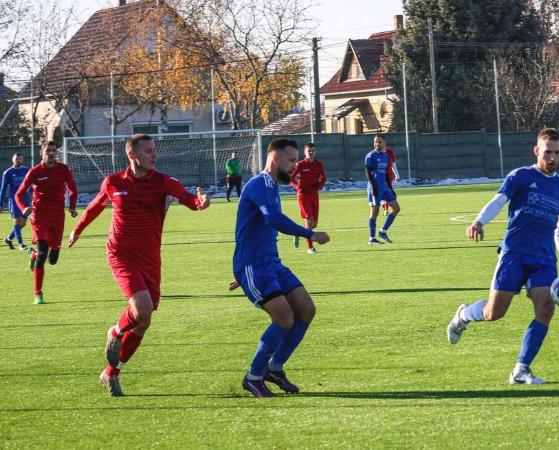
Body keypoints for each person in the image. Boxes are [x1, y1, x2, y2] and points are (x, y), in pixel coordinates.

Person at [68, 134, 210, 396]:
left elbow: (189, 200)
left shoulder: (164, 182)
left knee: (144, 321)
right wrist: (77, 230)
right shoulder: (114, 182)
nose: (154, 155)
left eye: (154, 150)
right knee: (141, 308)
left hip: (150, 257)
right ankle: (116, 330)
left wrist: (201, 202)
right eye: (148, 151)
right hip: (121, 254)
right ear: (133, 155)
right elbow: (95, 207)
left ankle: (111, 373)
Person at [446, 128, 559, 385]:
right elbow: (498, 200)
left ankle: (521, 369)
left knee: (546, 308)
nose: (552, 157)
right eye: (548, 151)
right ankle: (463, 316)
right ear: (537, 150)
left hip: (544, 259)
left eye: (557, 153)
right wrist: (479, 221)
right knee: (494, 313)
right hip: (514, 254)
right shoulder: (521, 176)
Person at [233, 138, 330, 398]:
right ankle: (253, 376)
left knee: (306, 309)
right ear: (275, 159)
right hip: (254, 266)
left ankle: (274, 368)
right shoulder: (260, 183)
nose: (294, 167)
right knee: (284, 318)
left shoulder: (272, 186)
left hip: (269, 263)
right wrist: (308, 233)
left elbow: (259, 229)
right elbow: (272, 219)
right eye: (290, 161)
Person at [15, 141, 78, 305]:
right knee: (43, 252)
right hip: (39, 215)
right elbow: (19, 194)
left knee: (53, 259)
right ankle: (38, 294)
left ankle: (33, 255)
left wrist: (72, 207)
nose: (51, 153)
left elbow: (73, 189)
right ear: (41, 153)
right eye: (47, 151)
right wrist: (23, 208)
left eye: (53, 150)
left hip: (57, 217)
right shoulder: (34, 172)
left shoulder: (63, 169)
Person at [290, 142, 327, 253]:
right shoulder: (300, 165)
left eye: (313, 151)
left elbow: (323, 178)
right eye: (309, 151)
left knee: (314, 224)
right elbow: (291, 179)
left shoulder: (318, 164)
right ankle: (310, 247)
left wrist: (320, 186)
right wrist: (298, 187)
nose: (311, 153)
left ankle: (298, 232)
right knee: (309, 221)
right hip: (303, 195)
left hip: (314, 195)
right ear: (305, 152)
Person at [364, 134, 400, 245]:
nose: (377, 144)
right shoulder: (370, 156)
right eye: (375, 142)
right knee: (375, 212)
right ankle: (371, 238)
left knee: (396, 208)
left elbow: (384, 174)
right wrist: (373, 187)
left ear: (384, 143)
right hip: (374, 188)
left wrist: (390, 188)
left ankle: (383, 231)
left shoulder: (385, 156)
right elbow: (367, 172)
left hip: (384, 187)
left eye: (379, 142)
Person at [1, 153, 30, 251]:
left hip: (25, 199)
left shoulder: (26, 170)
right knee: (17, 221)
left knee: (23, 223)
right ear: (13, 160)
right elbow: (3, 188)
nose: (18, 160)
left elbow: (30, 185)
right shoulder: (8, 173)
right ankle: (21, 244)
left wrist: (34, 195)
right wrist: (0, 203)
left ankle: (9, 239)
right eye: (16, 159)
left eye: (20, 159)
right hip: (14, 200)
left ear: (22, 160)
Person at [381, 145, 401, 216]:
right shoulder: (375, 154)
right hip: (379, 177)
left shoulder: (390, 152)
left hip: (389, 177)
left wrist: (397, 175)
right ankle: (386, 207)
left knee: (387, 193)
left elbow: (393, 164)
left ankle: (385, 206)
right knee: (382, 193)